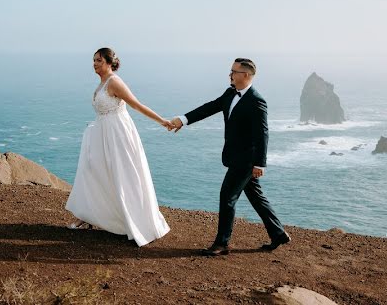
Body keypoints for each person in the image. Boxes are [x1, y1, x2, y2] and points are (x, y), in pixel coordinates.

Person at [170, 57, 290, 255]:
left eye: (234, 72)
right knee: (255, 196)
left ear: (245, 75)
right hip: (234, 156)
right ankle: (278, 233)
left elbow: (263, 134)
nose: (230, 75)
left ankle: (222, 243)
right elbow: (210, 107)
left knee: (227, 197)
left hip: (246, 160)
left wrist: (260, 164)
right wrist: (183, 120)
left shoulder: (257, 101)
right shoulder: (229, 93)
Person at [65, 47, 171, 246]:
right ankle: (88, 214)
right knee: (92, 170)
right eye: (93, 60)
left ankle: (135, 222)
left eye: (98, 60)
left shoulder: (114, 82)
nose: (94, 63)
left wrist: (161, 121)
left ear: (108, 62)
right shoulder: (102, 82)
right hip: (102, 133)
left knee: (123, 176)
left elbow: (136, 105)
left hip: (118, 135)